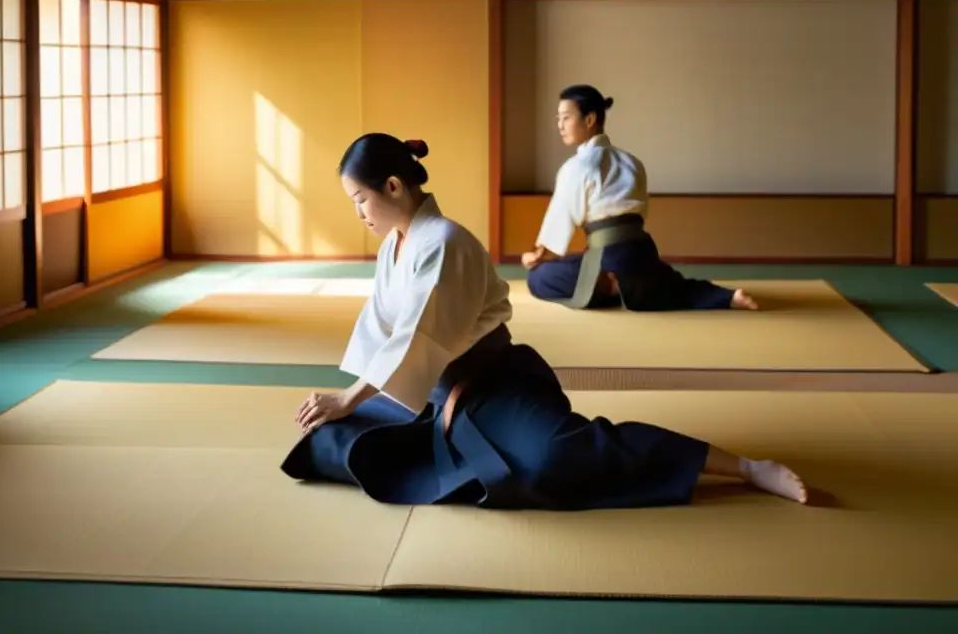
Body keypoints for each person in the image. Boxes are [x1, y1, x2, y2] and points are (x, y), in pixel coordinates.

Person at [280, 132, 808, 509]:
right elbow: (383, 331)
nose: (359, 213)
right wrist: (347, 398)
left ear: (393, 186)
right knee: (334, 440)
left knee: (560, 456)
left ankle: (744, 467)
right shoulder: (396, 246)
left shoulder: (444, 242)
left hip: (493, 384)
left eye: (360, 199)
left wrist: (351, 396)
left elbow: (418, 338)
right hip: (431, 393)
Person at [521, 84, 759, 311]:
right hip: (642, 255)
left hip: (608, 260)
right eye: (558, 119)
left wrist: (538, 255)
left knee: (539, 277)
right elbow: (637, 215)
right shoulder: (632, 162)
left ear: (590, 119)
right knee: (677, 287)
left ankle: (612, 286)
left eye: (566, 117)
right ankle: (728, 297)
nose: (559, 125)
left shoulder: (577, 167)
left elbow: (559, 224)